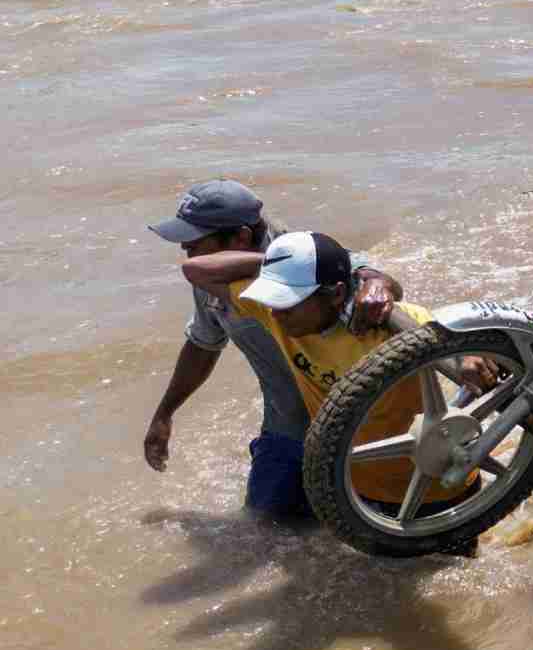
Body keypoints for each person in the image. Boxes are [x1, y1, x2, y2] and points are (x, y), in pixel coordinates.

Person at [143, 179, 399, 517]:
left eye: (194, 243)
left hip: (355, 422)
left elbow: (367, 273)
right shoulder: (213, 278)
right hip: (287, 422)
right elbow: (203, 344)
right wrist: (164, 413)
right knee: (265, 524)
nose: (186, 251)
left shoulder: (306, 257)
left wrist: (379, 283)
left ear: (241, 238)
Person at [180, 229, 476, 512]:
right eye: (274, 300)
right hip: (356, 494)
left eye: (288, 302)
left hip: (436, 484)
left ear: (335, 294)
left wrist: (467, 358)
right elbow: (195, 269)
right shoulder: (275, 315)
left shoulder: (394, 324)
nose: (276, 314)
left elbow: (461, 354)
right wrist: (275, 264)